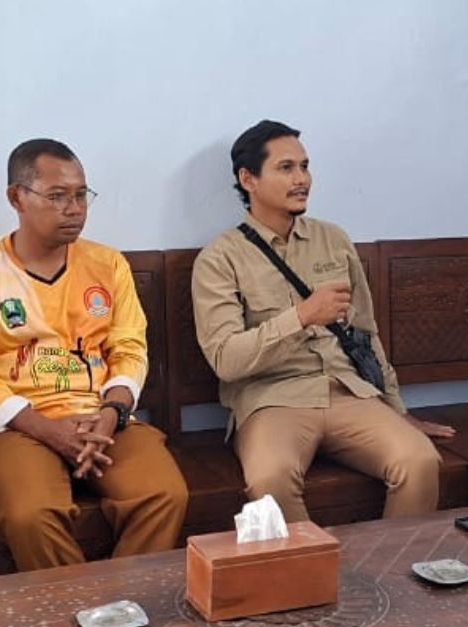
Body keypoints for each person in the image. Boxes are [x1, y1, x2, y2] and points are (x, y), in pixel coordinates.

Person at [0, 139, 188, 570]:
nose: (74, 209)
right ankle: (80, 607)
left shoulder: (108, 264)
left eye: (81, 195)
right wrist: (49, 431)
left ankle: (117, 601)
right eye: (57, 196)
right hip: (14, 427)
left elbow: (130, 349)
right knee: (31, 515)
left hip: (101, 419)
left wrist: (112, 413)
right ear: (17, 197)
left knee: (164, 495)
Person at [191, 120, 453, 523]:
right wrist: (301, 317)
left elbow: (366, 333)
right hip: (273, 401)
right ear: (248, 179)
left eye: (305, 166)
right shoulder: (220, 258)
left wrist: (397, 409)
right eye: (286, 168)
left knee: (419, 459)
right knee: (269, 480)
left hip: (348, 393)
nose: (302, 179)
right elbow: (226, 359)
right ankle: (314, 565)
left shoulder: (333, 240)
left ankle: (388, 564)